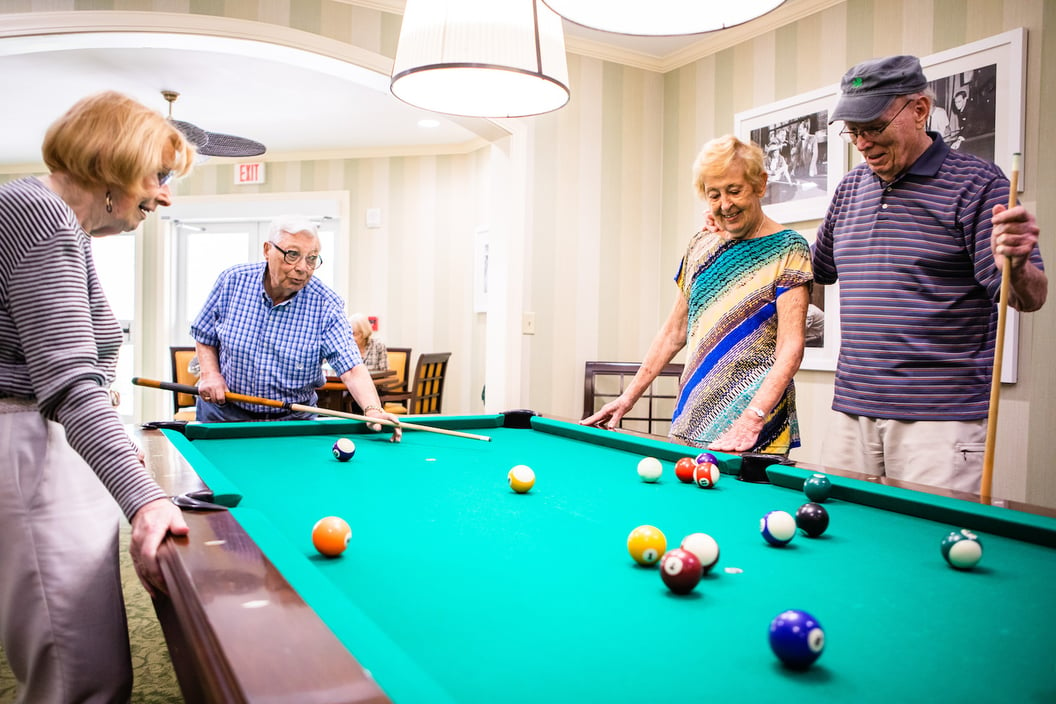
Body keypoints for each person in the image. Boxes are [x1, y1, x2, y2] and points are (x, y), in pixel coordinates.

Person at [0, 91, 193, 702]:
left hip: (43, 447)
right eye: (158, 176)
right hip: (28, 451)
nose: (164, 196)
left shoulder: (58, 223)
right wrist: (146, 501)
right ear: (112, 163)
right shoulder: (40, 212)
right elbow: (72, 383)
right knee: (79, 677)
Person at [815, 55, 1047, 493]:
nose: (862, 143)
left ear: (919, 110)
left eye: (874, 127)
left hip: (941, 422)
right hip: (852, 411)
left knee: (928, 552)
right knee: (840, 540)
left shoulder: (978, 184)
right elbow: (813, 270)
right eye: (853, 131)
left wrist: (1016, 265)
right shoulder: (849, 188)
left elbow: (1029, 297)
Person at [583, 135, 813, 454]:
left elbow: (791, 348)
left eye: (734, 191)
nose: (724, 205)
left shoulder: (790, 248)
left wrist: (751, 420)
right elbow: (673, 332)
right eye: (713, 195)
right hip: (691, 419)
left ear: (760, 184)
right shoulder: (699, 245)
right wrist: (628, 397)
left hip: (755, 428)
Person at [191, 216, 402, 439]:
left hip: (290, 423)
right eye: (292, 255)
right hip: (224, 415)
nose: (303, 268)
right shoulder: (233, 281)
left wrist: (373, 410)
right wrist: (211, 374)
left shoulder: (326, 305)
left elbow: (351, 367)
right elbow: (205, 334)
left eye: (311, 259)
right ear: (267, 250)